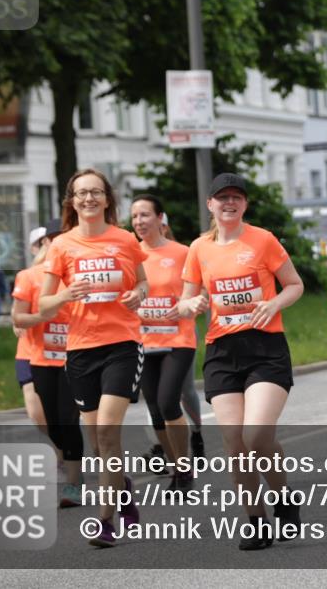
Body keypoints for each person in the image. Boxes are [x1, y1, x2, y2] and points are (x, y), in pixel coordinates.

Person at [176, 172, 305, 551]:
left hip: (265, 348)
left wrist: (274, 303)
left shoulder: (262, 240)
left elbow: (295, 285)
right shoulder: (198, 248)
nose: (229, 203)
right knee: (235, 443)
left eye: (236, 197)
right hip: (222, 352)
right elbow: (185, 301)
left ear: (244, 204)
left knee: (256, 435)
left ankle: (283, 498)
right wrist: (191, 304)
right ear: (210, 204)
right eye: (222, 197)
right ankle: (255, 521)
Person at [39, 169, 149, 547]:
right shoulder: (62, 246)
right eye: (81, 193)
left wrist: (139, 294)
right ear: (72, 201)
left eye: (95, 192)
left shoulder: (124, 239)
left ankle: (105, 522)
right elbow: (43, 303)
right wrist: (67, 295)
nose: (88, 199)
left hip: (122, 344)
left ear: (106, 199)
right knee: (97, 442)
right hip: (81, 349)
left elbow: (143, 282)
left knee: (106, 431)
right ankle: (123, 489)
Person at [12, 219, 84, 507]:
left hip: (75, 358)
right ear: (45, 243)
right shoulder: (29, 277)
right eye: (51, 238)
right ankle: (65, 456)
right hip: (41, 358)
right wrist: (43, 315)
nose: (56, 243)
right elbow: (18, 318)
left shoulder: (79, 276)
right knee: (51, 423)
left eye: (62, 238)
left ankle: (73, 482)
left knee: (69, 419)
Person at [131, 195, 199, 490]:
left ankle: (183, 467)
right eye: (134, 217)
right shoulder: (129, 254)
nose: (139, 222)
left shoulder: (183, 252)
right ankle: (177, 468)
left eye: (145, 215)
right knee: (156, 409)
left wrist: (189, 303)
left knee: (169, 400)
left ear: (161, 219)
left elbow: (201, 290)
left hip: (178, 337)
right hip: (143, 340)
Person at [11, 227, 50, 436]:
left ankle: (66, 454)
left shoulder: (67, 274)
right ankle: (59, 450)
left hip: (60, 352)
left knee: (60, 412)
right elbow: (16, 313)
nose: (41, 248)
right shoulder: (27, 276)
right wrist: (17, 321)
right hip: (29, 350)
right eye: (38, 244)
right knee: (35, 411)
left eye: (44, 242)